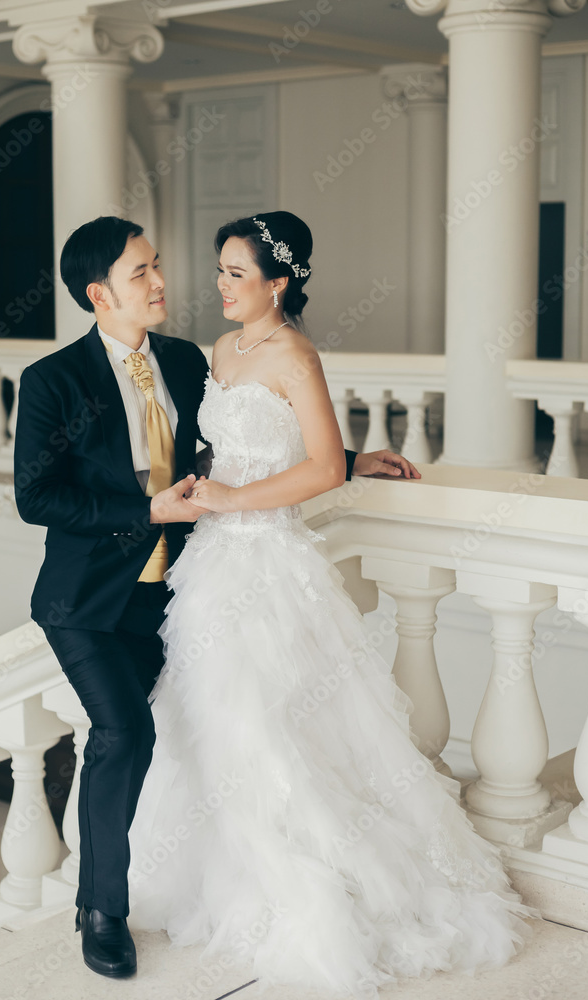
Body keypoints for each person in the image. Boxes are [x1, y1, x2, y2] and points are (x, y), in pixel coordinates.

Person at [126, 211, 539, 997]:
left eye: (236, 274)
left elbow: (318, 470)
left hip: (269, 564)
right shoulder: (221, 350)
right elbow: (250, 446)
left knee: (273, 724)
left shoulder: (295, 354)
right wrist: (211, 492)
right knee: (208, 723)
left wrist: (240, 495)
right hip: (212, 565)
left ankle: (312, 890)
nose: (220, 285)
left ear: (278, 283)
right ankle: (223, 878)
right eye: (218, 271)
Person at [13, 215, 414, 980]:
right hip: (87, 602)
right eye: (141, 272)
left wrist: (352, 459)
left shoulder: (184, 357)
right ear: (100, 294)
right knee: (123, 734)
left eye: (158, 264)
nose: (162, 281)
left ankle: (232, 884)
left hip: (176, 591)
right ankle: (101, 911)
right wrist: (146, 511)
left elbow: (236, 444)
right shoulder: (53, 380)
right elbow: (38, 497)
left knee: (225, 732)